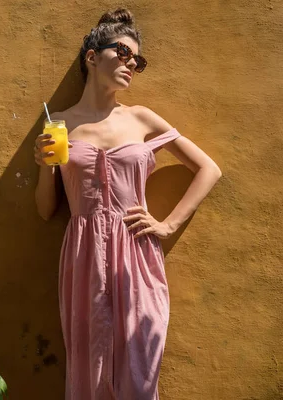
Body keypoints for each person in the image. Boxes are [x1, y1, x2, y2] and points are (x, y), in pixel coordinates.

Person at [33, 7, 222, 400]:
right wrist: (44, 167)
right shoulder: (61, 123)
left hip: (135, 253)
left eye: (137, 59)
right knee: (89, 371)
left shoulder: (141, 119)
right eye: (122, 52)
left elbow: (208, 169)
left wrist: (167, 225)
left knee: (139, 369)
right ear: (91, 57)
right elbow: (45, 209)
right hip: (83, 257)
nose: (131, 63)